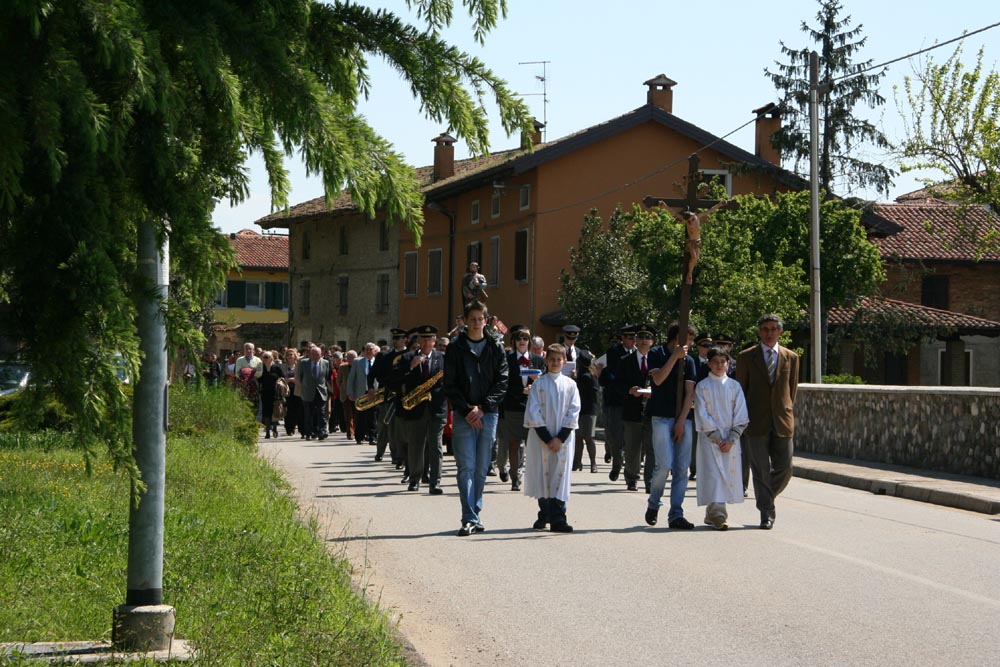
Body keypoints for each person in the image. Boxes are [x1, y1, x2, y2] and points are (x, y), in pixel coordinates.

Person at [444, 300, 508, 537]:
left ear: (486, 320)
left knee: (481, 468)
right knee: (466, 468)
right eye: (472, 319)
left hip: (488, 415)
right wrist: (467, 410)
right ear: (465, 320)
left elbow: (502, 381)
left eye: (480, 319)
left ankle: (476, 513)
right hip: (464, 416)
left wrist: (483, 408)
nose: (476, 323)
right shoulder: (455, 348)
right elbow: (450, 384)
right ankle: (469, 517)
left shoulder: (495, 347)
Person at [735, 314, 800, 530]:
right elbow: (741, 390)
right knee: (761, 469)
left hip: (782, 420)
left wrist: (784, 410)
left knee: (785, 468)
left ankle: (766, 496)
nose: (769, 333)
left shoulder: (791, 357)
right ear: (759, 331)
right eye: (765, 329)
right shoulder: (746, 357)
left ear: (780, 331)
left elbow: (792, 390)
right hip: (755, 421)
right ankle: (766, 512)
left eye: (773, 329)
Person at [643, 322, 698, 530]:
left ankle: (676, 513)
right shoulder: (656, 353)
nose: (690, 344)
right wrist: (674, 357)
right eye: (688, 339)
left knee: (682, 469)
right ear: (676, 338)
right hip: (661, 416)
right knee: (664, 464)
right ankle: (654, 502)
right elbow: (657, 380)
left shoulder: (690, 361)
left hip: (683, 418)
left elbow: (690, 393)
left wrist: (682, 421)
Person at [523, 344, 581, 533]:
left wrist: (560, 438)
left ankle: (558, 518)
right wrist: (548, 438)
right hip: (542, 438)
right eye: (552, 359)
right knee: (542, 474)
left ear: (564, 362)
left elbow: (574, 411)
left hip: (563, 439)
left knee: (560, 476)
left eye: (559, 359)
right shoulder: (538, 384)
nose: (555, 362)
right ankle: (545, 513)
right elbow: (533, 412)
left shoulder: (570, 385)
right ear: (546, 360)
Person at [694, 347, 749, 530]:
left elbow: (741, 412)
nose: (719, 365)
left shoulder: (734, 386)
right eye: (715, 362)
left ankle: (713, 513)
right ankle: (718, 515)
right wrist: (717, 438)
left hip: (730, 439)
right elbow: (701, 413)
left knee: (726, 474)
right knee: (714, 475)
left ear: (728, 363)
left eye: (722, 362)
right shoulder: (702, 386)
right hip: (710, 438)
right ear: (709, 363)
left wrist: (732, 437)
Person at [394, 325, 448, 494]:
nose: (426, 343)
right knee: (415, 446)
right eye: (423, 339)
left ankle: (435, 482)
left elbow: (450, 382)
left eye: (429, 340)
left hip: (436, 408)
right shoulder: (407, 357)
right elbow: (395, 378)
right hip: (416, 408)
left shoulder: (443, 358)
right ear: (418, 341)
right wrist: (410, 367)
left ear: (434, 342)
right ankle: (414, 479)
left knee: (436, 446)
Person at [498, 325, 545, 490]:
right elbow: (503, 383)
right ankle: (515, 478)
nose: (522, 341)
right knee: (514, 442)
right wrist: (521, 390)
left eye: (525, 338)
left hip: (533, 407)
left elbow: (545, 382)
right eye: (519, 338)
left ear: (529, 342)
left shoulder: (538, 360)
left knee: (532, 443)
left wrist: (536, 384)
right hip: (513, 406)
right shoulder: (507, 359)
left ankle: (532, 476)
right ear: (514, 341)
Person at [614, 324, 657, 492]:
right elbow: (617, 384)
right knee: (632, 447)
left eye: (648, 338)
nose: (644, 341)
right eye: (641, 337)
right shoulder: (625, 361)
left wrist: (654, 391)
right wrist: (629, 390)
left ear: (653, 341)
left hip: (652, 410)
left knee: (651, 448)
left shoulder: (657, 360)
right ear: (636, 341)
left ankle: (650, 481)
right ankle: (632, 478)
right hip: (632, 410)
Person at [599, 324, 636, 470]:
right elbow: (612, 373)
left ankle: (626, 464)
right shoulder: (614, 352)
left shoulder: (637, 352)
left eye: (635, 338)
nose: (633, 341)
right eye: (630, 338)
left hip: (631, 399)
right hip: (615, 399)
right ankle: (617, 462)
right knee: (614, 434)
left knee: (630, 435)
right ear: (623, 338)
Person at [690, 333, 715, 482]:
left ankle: (708, 468)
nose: (708, 348)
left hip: (711, 406)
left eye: (710, 346)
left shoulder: (715, 363)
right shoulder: (691, 361)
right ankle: (694, 469)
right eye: (705, 346)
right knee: (695, 439)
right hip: (693, 406)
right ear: (698, 347)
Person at [296, 345, 330, 441]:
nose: (315, 356)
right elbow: (300, 376)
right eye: (313, 354)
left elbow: (326, 376)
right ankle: (309, 433)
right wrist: (303, 387)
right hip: (308, 392)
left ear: (321, 354)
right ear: (310, 355)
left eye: (317, 354)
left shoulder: (325, 363)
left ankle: (322, 431)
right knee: (308, 414)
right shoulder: (303, 363)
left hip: (321, 391)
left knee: (321, 412)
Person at [573, 354, 600, 473]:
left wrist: (574, 379)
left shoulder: (588, 376)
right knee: (579, 437)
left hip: (588, 410)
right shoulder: (586, 375)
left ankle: (593, 463)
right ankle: (577, 462)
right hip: (581, 410)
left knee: (587, 437)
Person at [348, 342, 378, 445]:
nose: (369, 351)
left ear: (374, 351)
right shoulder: (357, 362)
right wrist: (350, 392)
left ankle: (372, 437)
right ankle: (359, 437)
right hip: (361, 392)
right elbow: (351, 378)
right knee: (360, 416)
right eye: (367, 349)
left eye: (371, 349)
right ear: (364, 351)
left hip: (374, 393)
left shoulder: (377, 362)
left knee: (373, 416)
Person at [258, 351, 286, 439]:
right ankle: (267, 431)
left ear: (271, 358)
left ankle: (274, 428)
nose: (265, 359)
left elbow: (282, 377)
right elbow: (258, 378)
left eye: (267, 357)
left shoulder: (276, 367)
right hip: (265, 392)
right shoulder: (261, 367)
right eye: (264, 357)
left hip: (276, 392)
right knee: (266, 411)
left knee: (275, 410)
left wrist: (280, 384)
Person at [280, 348, 303, 437]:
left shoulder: (299, 366)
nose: (289, 356)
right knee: (289, 410)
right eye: (288, 355)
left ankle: (301, 428)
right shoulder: (282, 366)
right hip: (287, 390)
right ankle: (289, 428)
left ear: (295, 356)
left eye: (291, 355)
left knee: (299, 409)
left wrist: (295, 379)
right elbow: (280, 378)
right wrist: (287, 380)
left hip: (297, 389)